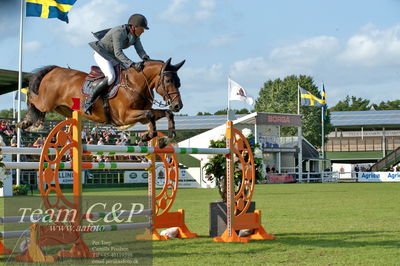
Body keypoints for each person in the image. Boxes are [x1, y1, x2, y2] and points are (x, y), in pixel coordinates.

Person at [84, 14, 151, 115]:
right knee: (111, 77)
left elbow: (140, 50)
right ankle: (89, 101)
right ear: (134, 27)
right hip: (101, 53)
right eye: (142, 28)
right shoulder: (119, 32)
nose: (143, 31)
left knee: (129, 73)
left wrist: (146, 58)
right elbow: (118, 53)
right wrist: (132, 63)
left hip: (112, 56)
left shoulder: (135, 36)